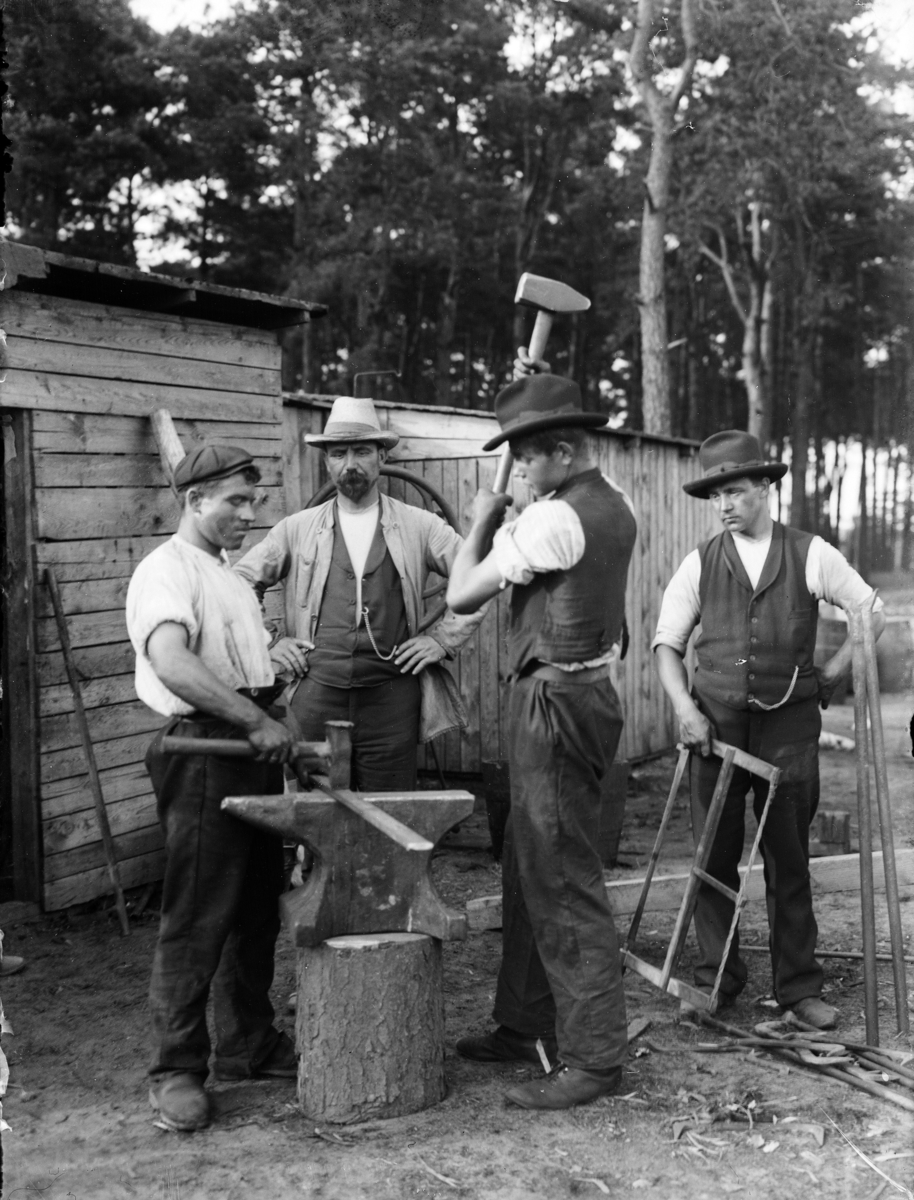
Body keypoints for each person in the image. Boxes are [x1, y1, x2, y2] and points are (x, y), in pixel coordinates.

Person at [446, 371, 637, 1111]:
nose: (517, 469)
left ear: (561, 451)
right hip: (571, 693)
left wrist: (482, 520)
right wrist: (519, 506)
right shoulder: (605, 498)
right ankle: (526, 1022)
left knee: (562, 879)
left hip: (555, 703)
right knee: (530, 865)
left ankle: (594, 1061)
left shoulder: (553, 522)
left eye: (525, 456)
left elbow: (462, 593)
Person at [653, 430, 885, 1030]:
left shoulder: (812, 553)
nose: (724, 505)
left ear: (765, 487)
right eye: (715, 497)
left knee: (788, 858)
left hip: (789, 730)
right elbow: (666, 644)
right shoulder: (699, 561)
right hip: (715, 730)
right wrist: (685, 708)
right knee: (713, 857)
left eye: (734, 491)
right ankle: (715, 982)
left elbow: (870, 612)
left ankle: (798, 989)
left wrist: (831, 676)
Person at [126, 444, 298, 1133]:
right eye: (234, 501)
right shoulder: (164, 571)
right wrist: (255, 719)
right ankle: (176, 1070)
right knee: (198, 917)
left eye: (254, 502)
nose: (248, 515)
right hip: (203, 750)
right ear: (193, 500)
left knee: (256, 908)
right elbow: (170, 662)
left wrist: (275, 708)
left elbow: (243, 672)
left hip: (249, 746)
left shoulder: (227, 576)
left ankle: (248, 1046)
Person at [234, 396, 484, 792]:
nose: (350, 463)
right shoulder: (295, 529)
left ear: (381, 456)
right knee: (311, 811)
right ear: (326, 461)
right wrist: (267, 643)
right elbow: (238, 583)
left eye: (362, 451)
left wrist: (442, 640)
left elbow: (479, 575)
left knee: (388, 813)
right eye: (338, 453)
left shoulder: (420, 526)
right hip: (314, 697)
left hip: (392, 702)